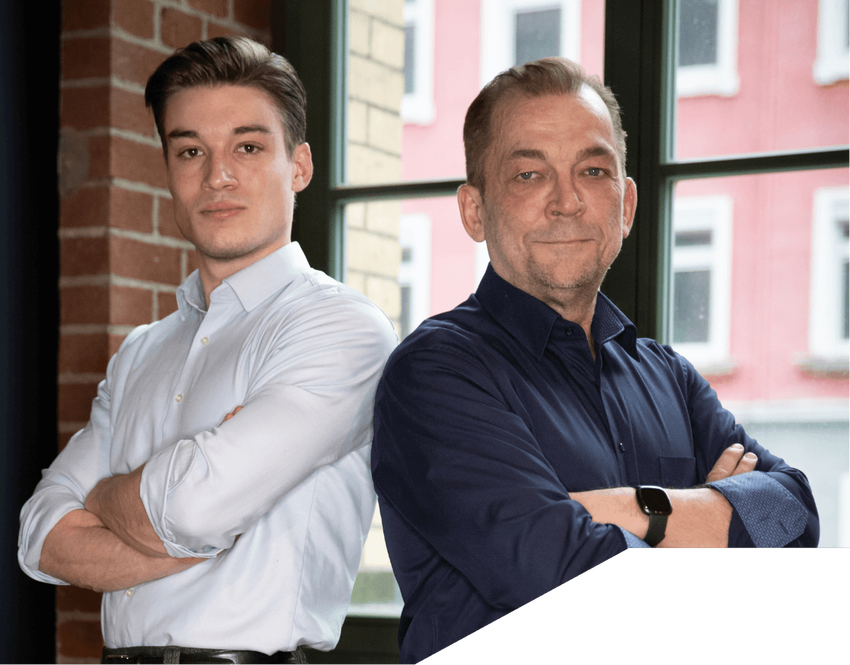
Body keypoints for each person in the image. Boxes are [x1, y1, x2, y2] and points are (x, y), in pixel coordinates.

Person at [370, 57, 819, 663]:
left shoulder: (668, 376)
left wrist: (632, 508)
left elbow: (796, 519)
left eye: (593, 170)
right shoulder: (435, 374)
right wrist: (708, 520)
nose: (566, 201)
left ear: (627, 205)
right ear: (474, 211)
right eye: (529, 174)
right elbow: (559, 573)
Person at [19, 36, 396, 665]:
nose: (217, 175)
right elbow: (40, 539)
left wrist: (107, 497)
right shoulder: (141, 351)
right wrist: (198, 518)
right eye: (190, 150)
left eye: (248, 147)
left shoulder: (341, 329)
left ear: (299, 166)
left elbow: (193, 509)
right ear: (168, 168)